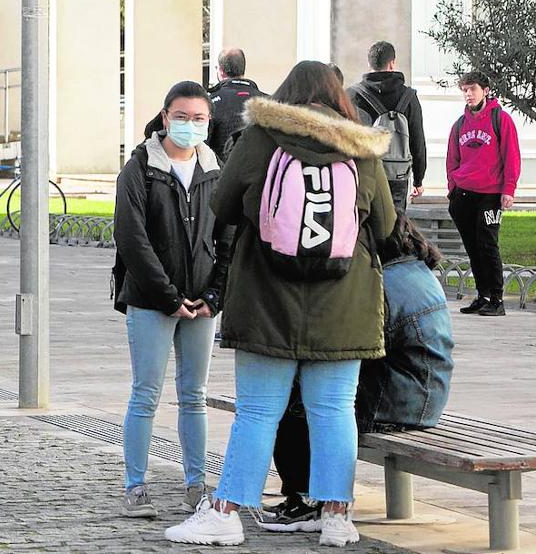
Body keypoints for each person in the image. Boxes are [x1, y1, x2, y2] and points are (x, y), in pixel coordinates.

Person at [165, 61, 396, 549]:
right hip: (343, 304)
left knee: (257, 411)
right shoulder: (360, 147)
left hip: (267, 298)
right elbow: (386, 226)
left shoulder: (261, 139)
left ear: (286, 94)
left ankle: (226, 513)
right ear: (338, 98)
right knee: (334, 410)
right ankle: (336, 518)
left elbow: (221, 205)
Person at [259, 213, 454, 533]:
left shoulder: (382, 284)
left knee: (300, 402)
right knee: (311, 393)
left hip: (400, 400)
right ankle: (309, 494)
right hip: (423, 393)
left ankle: (306, 498)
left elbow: (351, 348)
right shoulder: (415, 270)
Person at [113, 81, 230, 518]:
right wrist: (168, 297)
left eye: (199, 118)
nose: (189, 125)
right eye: (181, 117)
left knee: (194, 395)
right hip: (150, 301)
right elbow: (131, 238)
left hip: (202, 303)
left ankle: (196, 483)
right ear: (165, 117)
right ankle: (135, 486)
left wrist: (214, 295)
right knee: (145, 393)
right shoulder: (140, 168)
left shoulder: (214, 169)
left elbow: (228, 236)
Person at [449, 71, 521, 318]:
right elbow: (452, 159)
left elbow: (511, 157)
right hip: (463, 195)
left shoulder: (501, 120)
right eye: (465, 90)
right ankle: (482, 296)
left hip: (490, 194)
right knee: (472, 247)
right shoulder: (460, 124)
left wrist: (508, 190)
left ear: (485, 90)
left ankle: (497, 299)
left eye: (473, 89)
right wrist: (452, 189)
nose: (468, 94)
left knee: (487, 244)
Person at [348, 40, 427, 212]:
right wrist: (418, 179)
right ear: (392, 63)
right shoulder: (409, 97)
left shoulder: (352, 95)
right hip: (397, 174)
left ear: (369, 64)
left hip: (363, 173)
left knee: (363, 227)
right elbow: (418, 141)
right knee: (395, 228)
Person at [206, 48, 265, 160]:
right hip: (262, 174)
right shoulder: (268, 101)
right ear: (243, 69)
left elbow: (202, 146)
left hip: (223, 173)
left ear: (221, 70)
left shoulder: (210, 102)